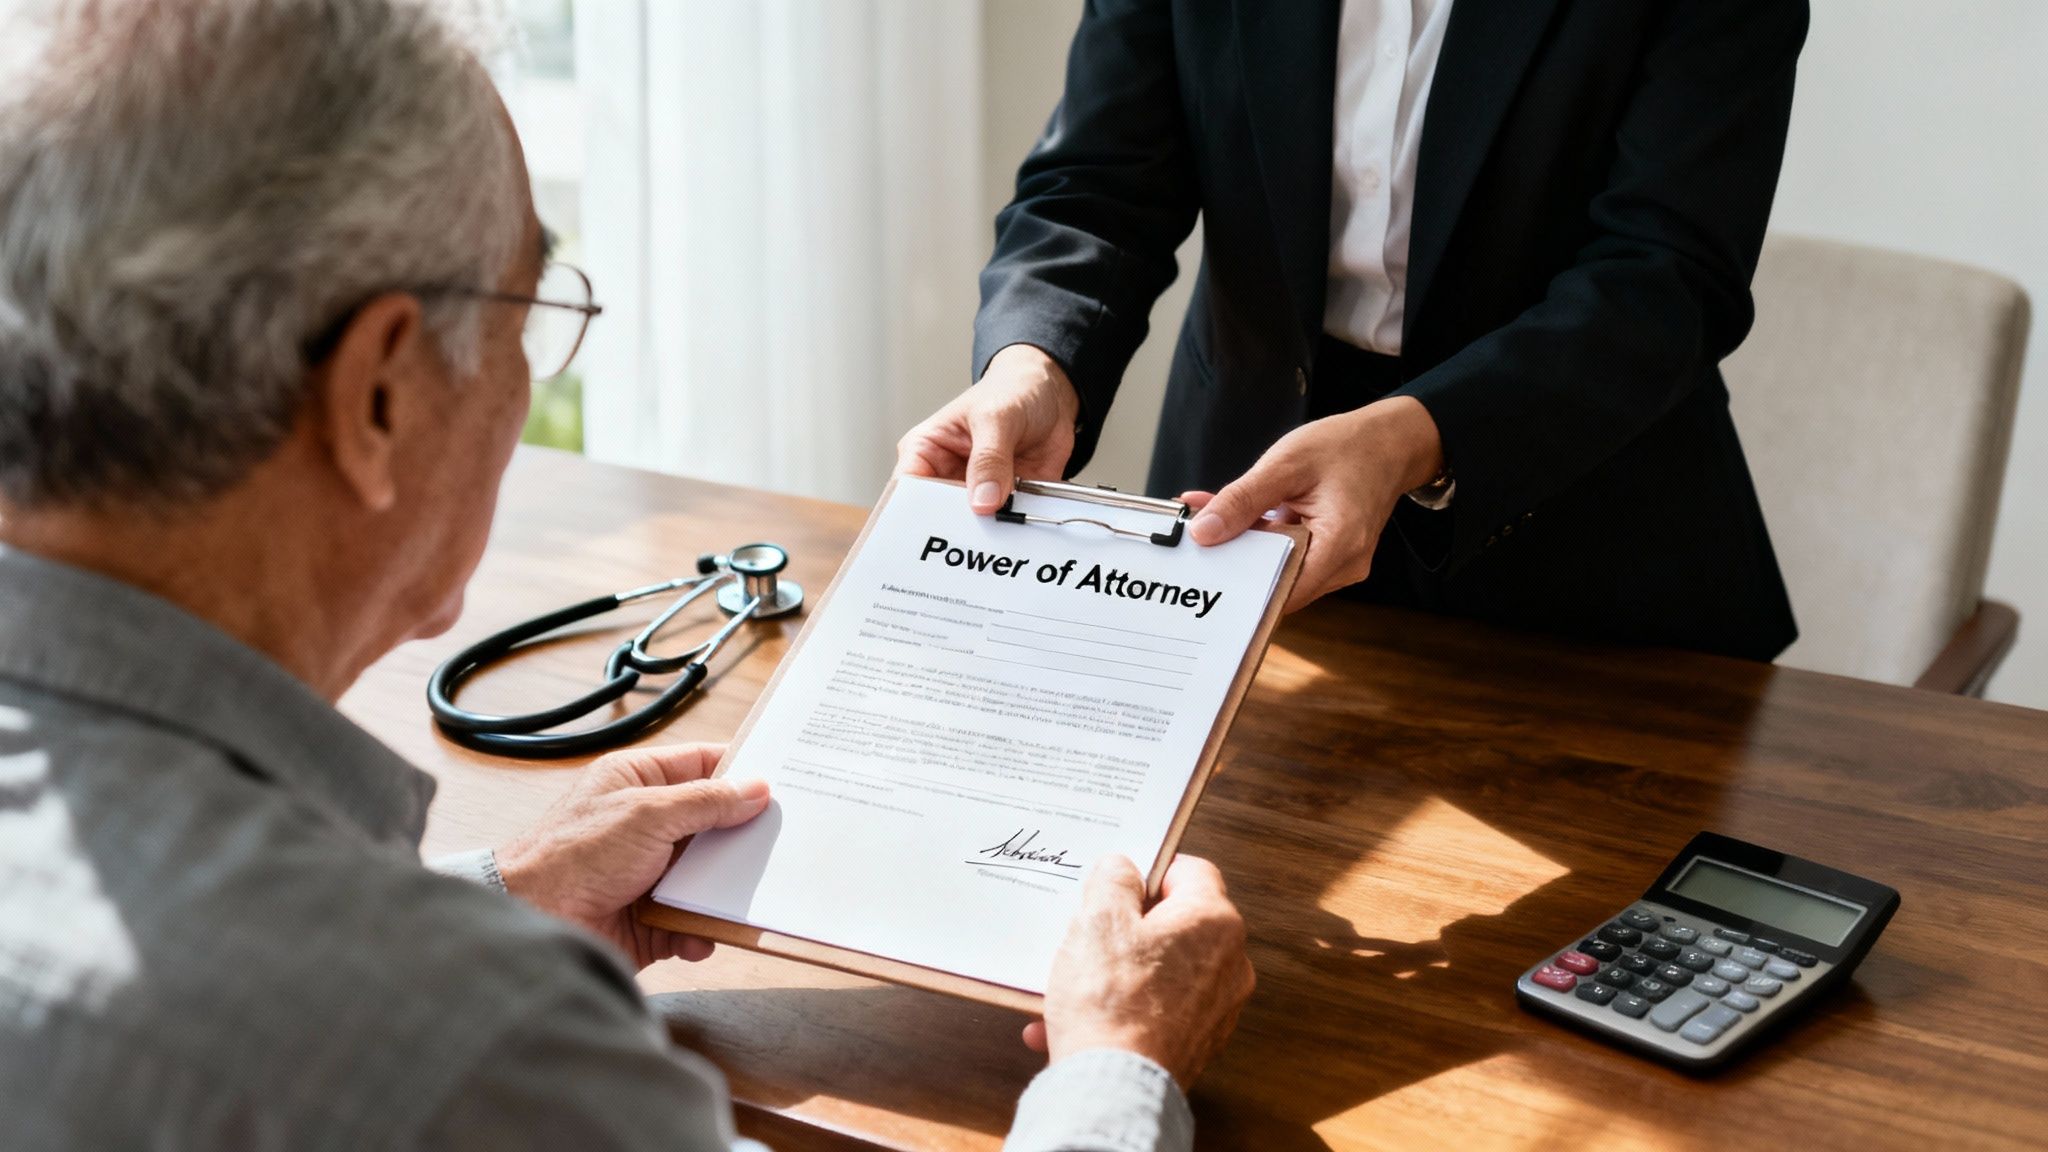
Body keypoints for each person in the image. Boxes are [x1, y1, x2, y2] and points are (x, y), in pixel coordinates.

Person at [0, 2, 1252, 1149]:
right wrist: (1118, 1070)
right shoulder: (487, 1054)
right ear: (376, 396)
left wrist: (505, 893)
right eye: (523, 310)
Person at [898, 0, 1807, 661]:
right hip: (1242, 513)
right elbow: (1099, 188)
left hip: (1579, 537)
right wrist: (1034, 362)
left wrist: (1416, 437)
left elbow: (1669, 276)